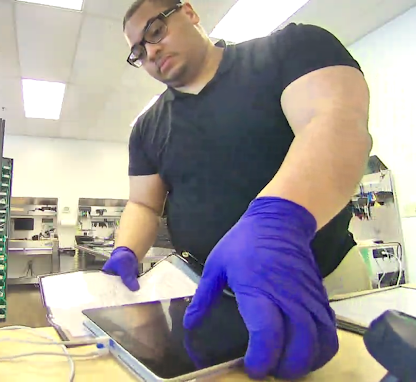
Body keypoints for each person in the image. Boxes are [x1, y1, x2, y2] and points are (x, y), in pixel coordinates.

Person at [102, 0, 373, 380]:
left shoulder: (286, 50)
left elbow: (334, 123)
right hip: (210, 298)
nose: (150, 52)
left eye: (155, 31)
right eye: (138, 51)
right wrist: (126, 249)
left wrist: (277, 222)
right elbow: (143, 204)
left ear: (190, 13)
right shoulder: (146, 127)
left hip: (322, 282)